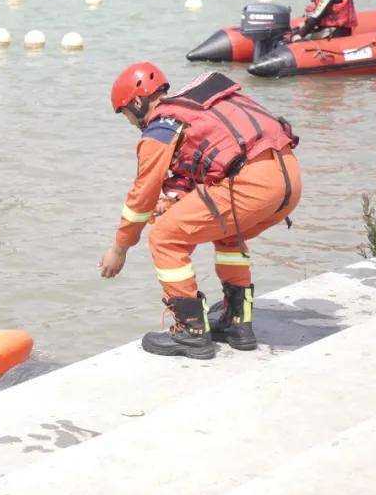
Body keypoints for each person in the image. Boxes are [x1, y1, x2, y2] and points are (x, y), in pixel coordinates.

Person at [98, 64, 302, 360]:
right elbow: (215, 159)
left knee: (164, 237)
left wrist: (119, 249)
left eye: (125, 113)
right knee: (227, 232)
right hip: (288, 178)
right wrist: (174, 201)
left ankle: (191, 331)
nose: (130, 122)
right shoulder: (196, 107)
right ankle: (237, 323)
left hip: (250, 185)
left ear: (138, 102)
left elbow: (141, 197)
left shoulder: (161, 127)